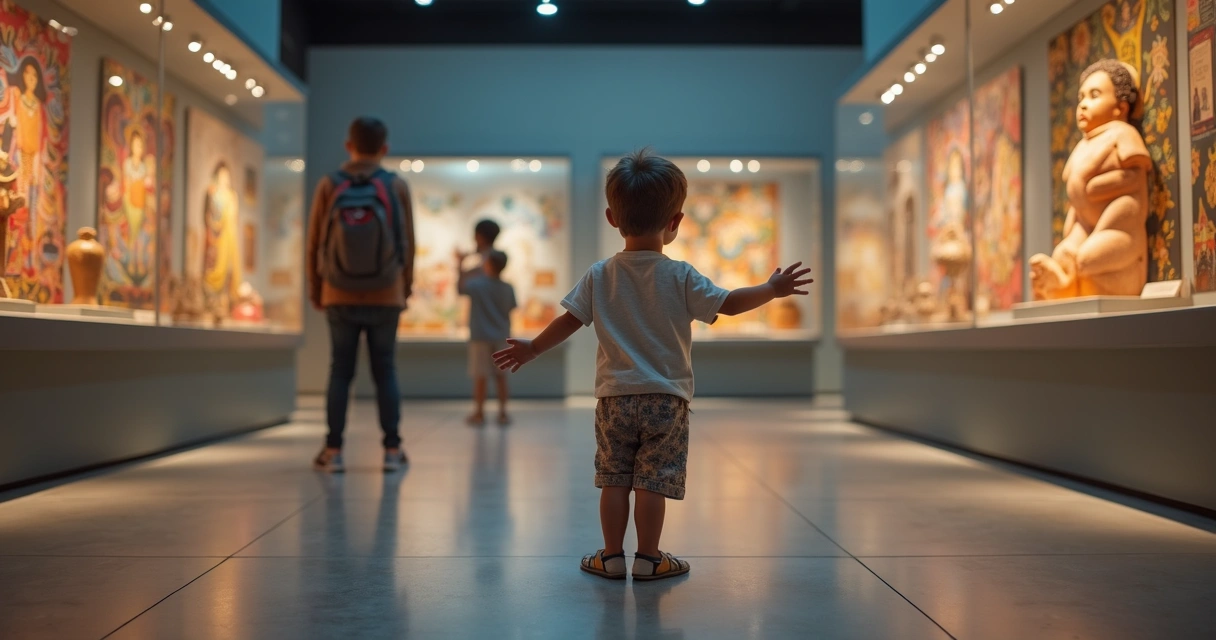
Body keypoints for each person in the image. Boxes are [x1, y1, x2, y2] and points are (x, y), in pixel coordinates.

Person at [494, 149, 812, 581]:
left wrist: (532, 348)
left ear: (612, 218)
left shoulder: (600, 274)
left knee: (613, 478)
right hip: (666, 399)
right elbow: (729, 304)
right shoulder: (681, 275)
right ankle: (648, 558)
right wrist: (772, 289)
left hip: (614, 399)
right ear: (675, 221)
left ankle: (610, 556)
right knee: (652, 480)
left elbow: (569, 320)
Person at [307, 117, 416, 473]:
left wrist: (317, 289)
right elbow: (408, 243)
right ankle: (392, 451)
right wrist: (404, 288)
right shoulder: (395, 185)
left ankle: (334, 451)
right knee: (386, 370)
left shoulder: (330, 184)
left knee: (341, 371)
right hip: (386, 293)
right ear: (384, 148)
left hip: (338, 292)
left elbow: (313, 243)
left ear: (348, 146)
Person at [458, 248, 516, 427]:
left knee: (480, 376)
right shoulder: (508, 288)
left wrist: (460, 264)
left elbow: (460, 288)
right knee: (501, 376)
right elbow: (511, 308)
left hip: (480, 336)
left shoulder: (477, 285)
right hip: (501, 336)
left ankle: (479, 413)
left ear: (489, 264)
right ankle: (503, 413)